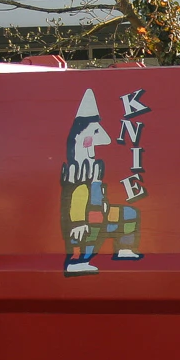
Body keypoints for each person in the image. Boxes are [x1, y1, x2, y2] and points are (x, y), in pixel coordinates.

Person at [60, 89, 142, 276]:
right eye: (96, 131)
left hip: (101, 209)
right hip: (85, 214)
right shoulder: (77, 170)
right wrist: (78, 221)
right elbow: (77, 196)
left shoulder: (94, 165)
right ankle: (77, 261)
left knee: (128, 214)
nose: (103, 139)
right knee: (88, 233)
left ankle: (124, 248)